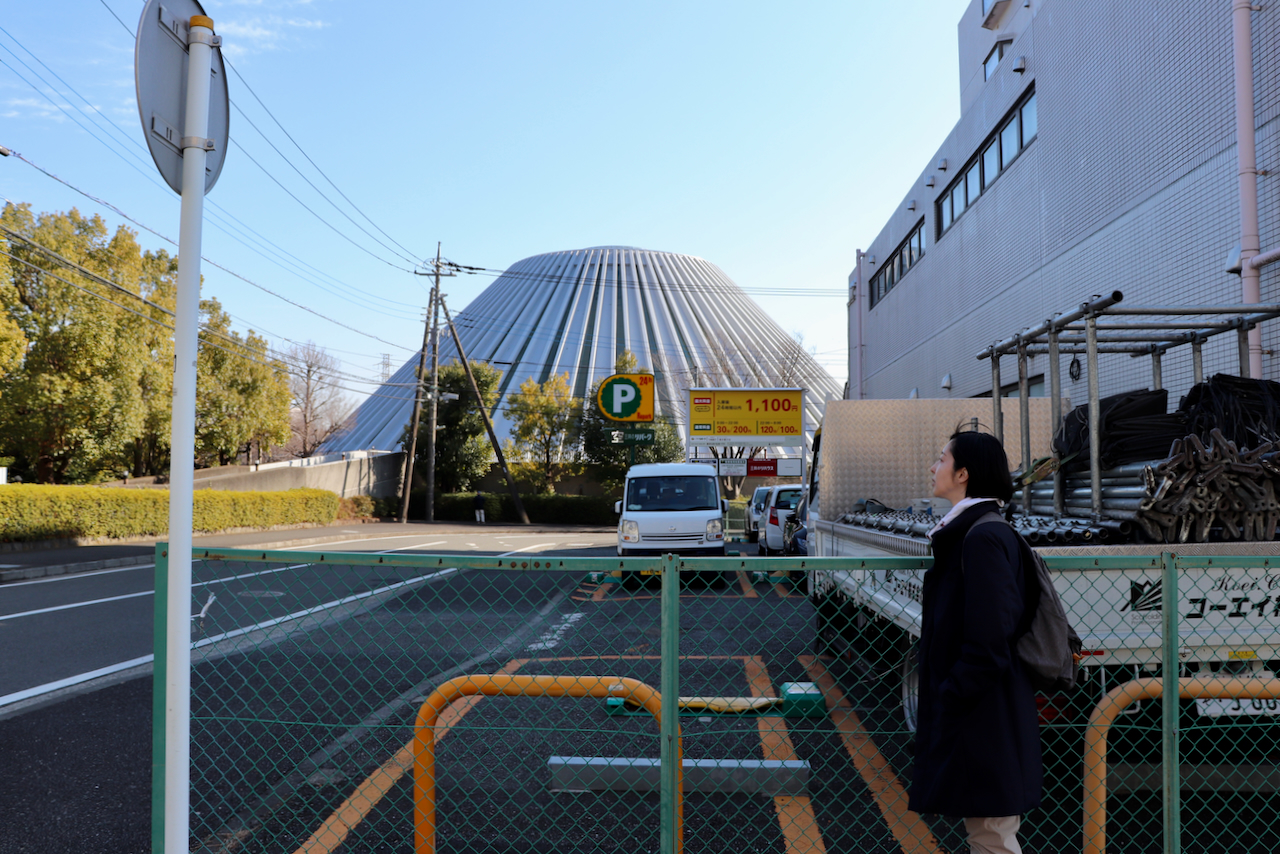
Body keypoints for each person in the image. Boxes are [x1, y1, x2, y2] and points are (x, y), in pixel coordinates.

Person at [908, 429, 1042, 854]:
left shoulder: (981, 537)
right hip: (987, 706)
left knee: (992, 834)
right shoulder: (983, 529)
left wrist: (951, 693)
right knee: (989, 830)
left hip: (984, 710)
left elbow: (990, 636)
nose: (934, 467)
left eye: (942, 459)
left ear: (963, 473)